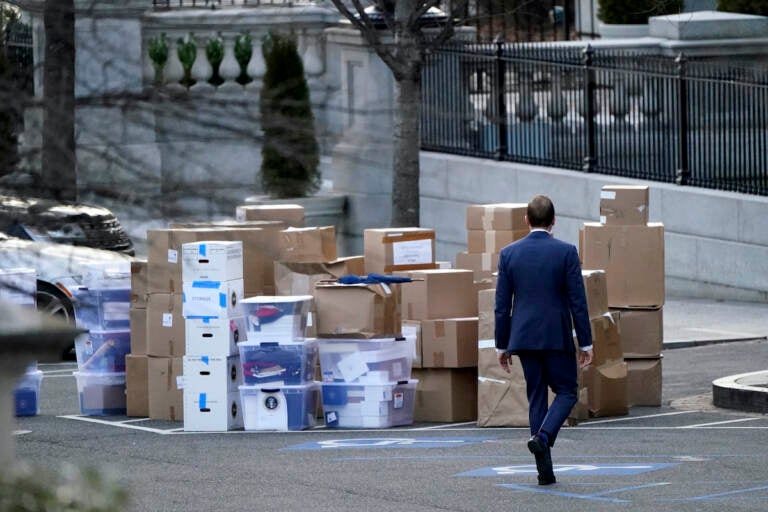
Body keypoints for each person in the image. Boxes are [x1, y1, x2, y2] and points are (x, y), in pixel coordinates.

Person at [494, 194, 593, 485]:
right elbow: (578, 301)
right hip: (555, 335)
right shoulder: (566, 252)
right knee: (567, 392)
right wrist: (585, 342)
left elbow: (502, 305)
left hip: (523, 337)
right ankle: (544, 436)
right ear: (553, 221)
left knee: (536, 395)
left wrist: (502, 345)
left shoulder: (509, 254)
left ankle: (544, 470)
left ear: (526, 220)